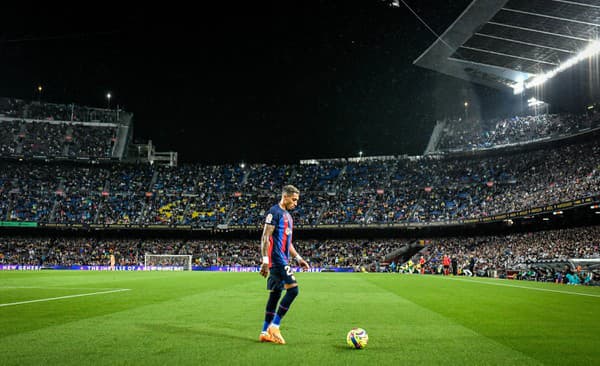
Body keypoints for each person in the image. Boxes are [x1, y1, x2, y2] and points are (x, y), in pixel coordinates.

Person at [259, 185, 310, 345]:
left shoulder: (288, 216)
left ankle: (264, 332)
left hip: (283, 259)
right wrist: (265, 261)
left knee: (275, 294)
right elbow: (265, 237)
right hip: (277, 260)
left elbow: (287, 243)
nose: (296, 203)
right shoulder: (274, 212)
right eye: (294, 199)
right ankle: (275, 325)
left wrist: (298, 258)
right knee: (293, 290)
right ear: (285, 197)